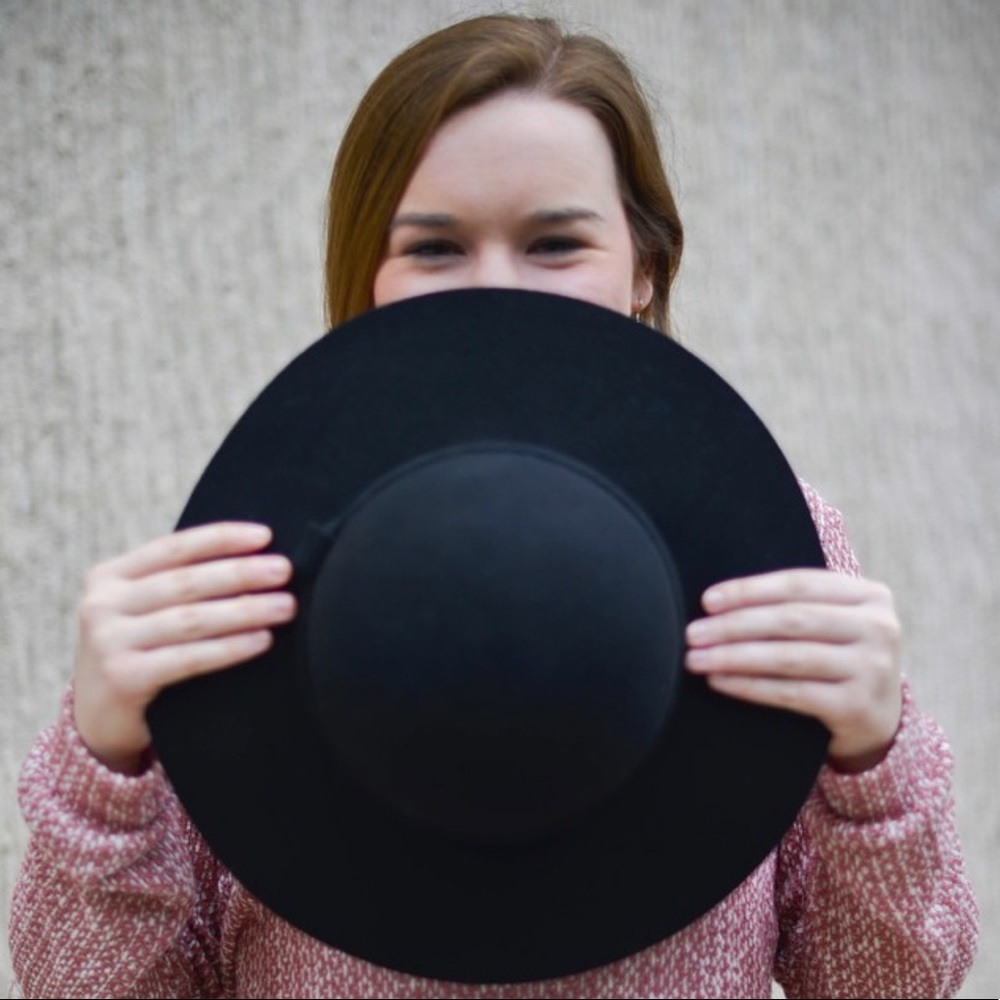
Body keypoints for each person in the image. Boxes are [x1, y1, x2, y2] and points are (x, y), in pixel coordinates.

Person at [9, 14, 977, 999]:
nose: (495, 292)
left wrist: (871, 765)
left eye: (554, 241)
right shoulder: (250, 553)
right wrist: (105, 763)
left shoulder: (770, 542)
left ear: (643, 267)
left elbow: (889, 982)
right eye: (435, 248)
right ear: (368, 276)